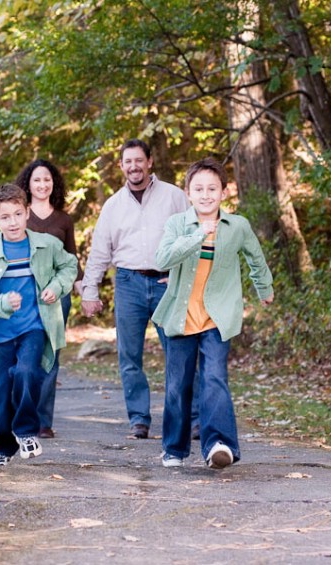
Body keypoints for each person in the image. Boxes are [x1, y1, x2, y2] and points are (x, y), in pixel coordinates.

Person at [152, 157, 274, 469]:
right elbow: (162, 258)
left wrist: (265, 289)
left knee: (214, 378)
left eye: (212, 188)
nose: (206, 194)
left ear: (224, 192)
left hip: (218, 318)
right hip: (180, 317)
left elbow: (256, 260)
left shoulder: (238, 226)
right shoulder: (178, 224)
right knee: (178, 386)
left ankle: (219, 444)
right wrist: (197, 235)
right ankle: (174, 449)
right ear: (188, 193)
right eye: (199, 189)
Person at [80, 139, 189, 439]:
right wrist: (90, 291)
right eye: (128, 161)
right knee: (129, 356)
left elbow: (192, 237)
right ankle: (139, 419)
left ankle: (187, 418)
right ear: (121, 166)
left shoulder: (174, 197)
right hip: (128, 283)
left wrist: (184, 276)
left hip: (168, 282)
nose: (134, 166)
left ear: (150, 162)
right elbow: (100, 252)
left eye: (139, 160)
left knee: (178, 352)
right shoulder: (113, 206)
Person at [0, 183, 78, 467]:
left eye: (18, 214)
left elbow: (70, 266)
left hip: (34, 328)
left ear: (27, 213)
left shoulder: (46, 245)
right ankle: (3, 447)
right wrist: (3, 303)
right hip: (0, 335)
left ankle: (27, 432)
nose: (13, 222)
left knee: (27, 372)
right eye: (5, 217)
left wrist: (56, 286)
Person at [15, 158, 84, 439]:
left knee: (50, 357)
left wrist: (83, 290)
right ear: (28, 184)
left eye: (47, 180)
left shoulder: (63, 219)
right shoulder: (19, 215)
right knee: (23, 356)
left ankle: (43, 421)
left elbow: (72, 259)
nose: (42, 184)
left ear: (53, 183)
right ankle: (20, 413)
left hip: (57, 297)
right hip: (23, 294)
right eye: (37, 180)